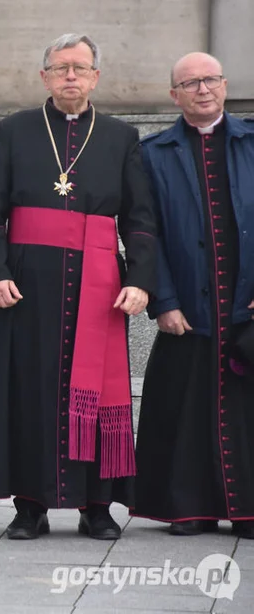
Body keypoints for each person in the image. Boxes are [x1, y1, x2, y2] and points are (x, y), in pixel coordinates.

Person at [0, 33, 156, 541]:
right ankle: (29, 505)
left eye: (79, 67)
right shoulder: (14, 130)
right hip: (26, 284)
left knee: (96, 395)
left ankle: (96, 506)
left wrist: (140, 280)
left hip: (98, 286)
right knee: (27, 390)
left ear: (96, 76)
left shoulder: (121, 136)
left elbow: (140, 220)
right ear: (44, 77)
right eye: (60, 68)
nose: (70, 76)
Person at [133, 53, 254, 537]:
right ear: (174, 95)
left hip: (245, 303)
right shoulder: (152, 152)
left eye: (209, 80)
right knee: (184, 407)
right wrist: (163, 300)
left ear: (224, 85)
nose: (202, 89)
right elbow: (144, 233)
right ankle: (189, 508)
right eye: (190, 83)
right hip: (187, 305)